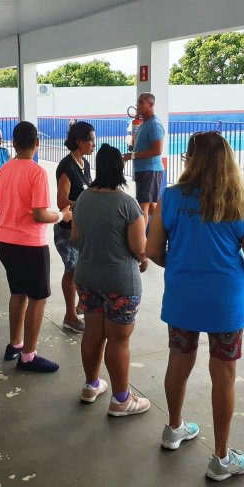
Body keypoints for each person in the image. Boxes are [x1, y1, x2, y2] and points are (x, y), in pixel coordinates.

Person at [146, 131, 244, 482]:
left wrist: (181, 264)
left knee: (179, 360)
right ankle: (221, 457)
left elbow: (152, 251)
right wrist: (231, 276)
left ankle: (174, 428)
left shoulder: (171, 197)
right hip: (225, 302)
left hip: (182, 296)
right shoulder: (240, 202)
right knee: (223, 375)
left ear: (190, 159)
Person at [72, 144, 149, 415]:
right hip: (120, 282)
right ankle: (121, 399)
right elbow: (139, 248)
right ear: (120, 168)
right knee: (118, 339)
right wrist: (144, 259)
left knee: (93, 333)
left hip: (86, 277)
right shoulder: (127, 204)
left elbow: (75, 238)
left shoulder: (82, 199)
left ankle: (91, 385)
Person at [0, 121, 72, 372]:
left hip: (5, 242)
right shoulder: (37, 172)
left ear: (14, 143)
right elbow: (40, 214)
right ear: (37, 143)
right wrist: (62, 215)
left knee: (17, 293)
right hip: (30, 244)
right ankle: (28, 356)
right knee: (38, 298)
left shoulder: (4, 169)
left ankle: (15, 344)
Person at [54, 121, 95, 333]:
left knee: (81, 269)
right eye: (91, 140)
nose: (94, 144)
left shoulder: (84, 164)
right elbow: (62, 201)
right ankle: (70, 316)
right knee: (72, 271)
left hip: (82, 227)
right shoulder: (67, 167)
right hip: (67, 230)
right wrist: (85, 203)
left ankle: (80, 306)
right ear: (79, 141)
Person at [122, 92, 165, 220]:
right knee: (151, 207)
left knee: (143, 208)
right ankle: (160, 231)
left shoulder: (154, 124)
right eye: (138, 102)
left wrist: (132, 155)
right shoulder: (145, 123)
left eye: (141, 102)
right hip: (145, 171)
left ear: (151, 105)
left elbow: (157, 150)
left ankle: (143, 234)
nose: (138, 105)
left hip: (150, 171)